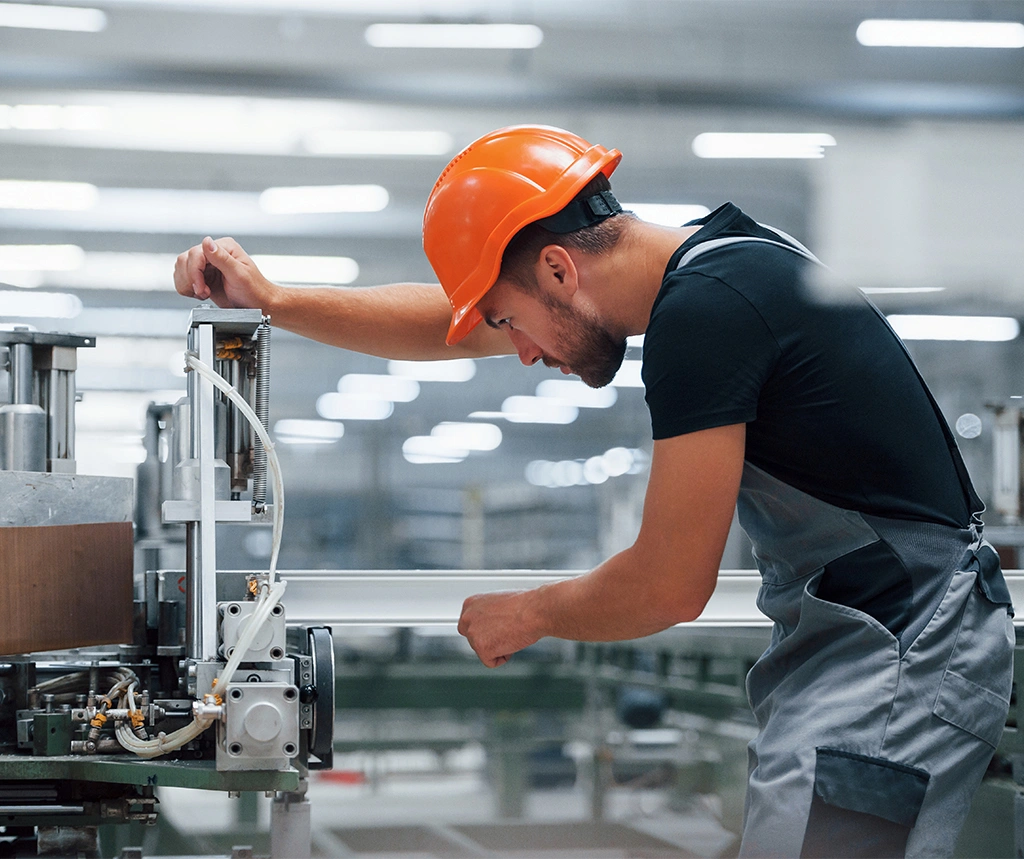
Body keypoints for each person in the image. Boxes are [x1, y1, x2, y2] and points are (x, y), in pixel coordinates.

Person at [174, 124, 1014, 857]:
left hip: (903, 652)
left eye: (509, 323)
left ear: (557, 267)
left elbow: (669, 584)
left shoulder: (708, 317)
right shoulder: (723, 265)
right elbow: (447, 325)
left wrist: (528, 612)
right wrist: (275, 300)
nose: (521, 353)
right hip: (864, 644)